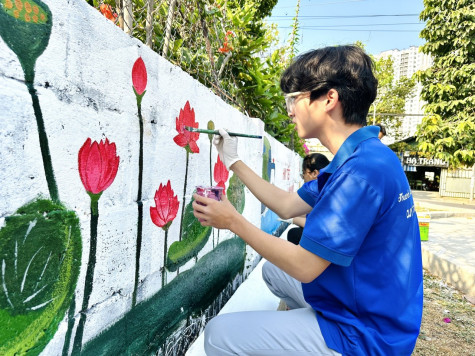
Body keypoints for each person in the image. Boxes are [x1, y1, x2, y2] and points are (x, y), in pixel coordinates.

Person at [192, 45, 422, 356]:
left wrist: (232, 221)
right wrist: (233, 161)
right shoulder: (360, 156)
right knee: (273, 272)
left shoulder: (360, 173)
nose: (289, 109)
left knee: (218, 335)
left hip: (366, 334)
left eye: (294, 99)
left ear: (329, 98)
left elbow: (304, 267)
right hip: (366, 304)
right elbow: (287, 206)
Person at [287, 153, 330, 245]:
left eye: (304, 173)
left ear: (314, 173)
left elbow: (318, 227)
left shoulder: (318, 190)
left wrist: (294, 219)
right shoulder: (330, 186)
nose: (304, 178)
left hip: (328, 240)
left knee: (294, 234)